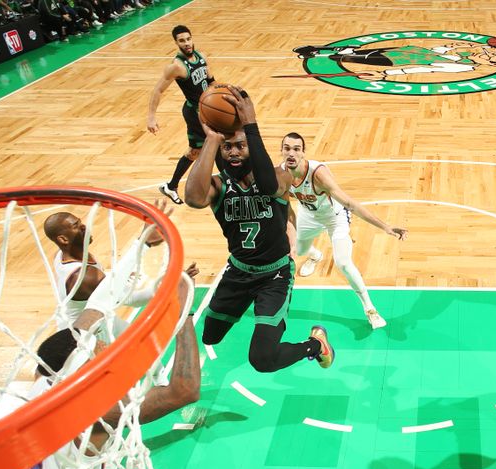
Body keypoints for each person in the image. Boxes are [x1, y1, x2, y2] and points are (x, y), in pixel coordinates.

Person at [0, 256, 200, 469]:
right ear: (80, 374)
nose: (104, 346)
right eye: (96, 353)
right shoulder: (93, 414)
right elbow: (183, 391)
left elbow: (95, 308)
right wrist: (183, 310)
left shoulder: (38, 384)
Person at [184, 85, 335, 372]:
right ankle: (249, 310)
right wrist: (212, 138)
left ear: (252, 144)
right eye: (227, 147)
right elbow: (192, 198)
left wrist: (251, 124)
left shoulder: (279, 175)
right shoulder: (218, 186)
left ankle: (315, 345)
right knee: (209, 335)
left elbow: (267, 187)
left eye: (240, 144)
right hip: (238, 271)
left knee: (262, 360)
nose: (234, 152)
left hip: (274, 274)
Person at [280, 132, 408, 329]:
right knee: (299, 251)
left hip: (335, 218)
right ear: (281, 151)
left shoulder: (318, 174)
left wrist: (385, 226)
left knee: (343, 263)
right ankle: (315, 256)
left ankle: (370, 309)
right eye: (287, 148)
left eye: (296, 149)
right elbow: (288, 211)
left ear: (303, 153)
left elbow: (350, 203)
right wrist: (292, 236)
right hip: (307, 216)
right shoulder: (280, 175)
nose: (291, 153)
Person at [42, 198, 174, 336]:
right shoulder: (84, 277)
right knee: (142, 343)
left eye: (80, 222)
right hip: (84, 334)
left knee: (143, 341)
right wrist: (169, 282)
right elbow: (134, 300)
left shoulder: (63, 255)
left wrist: (116, 276)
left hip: (92, 317)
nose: (84, 227)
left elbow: (100, 282)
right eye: (76, 226)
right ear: (63, 239)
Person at [148, 24, 220, 205]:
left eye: (188, 39)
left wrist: (222, 97)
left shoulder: (201, 57)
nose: (187, 43)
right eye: (182, 41)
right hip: (194, 112)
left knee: (195, 151)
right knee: (217, 141)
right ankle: (227, 183)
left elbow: (211, 81)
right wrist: (151, 117)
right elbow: (157, 91)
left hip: (206, 109)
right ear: (176, 43)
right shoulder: (176, 67)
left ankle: (170, 186)